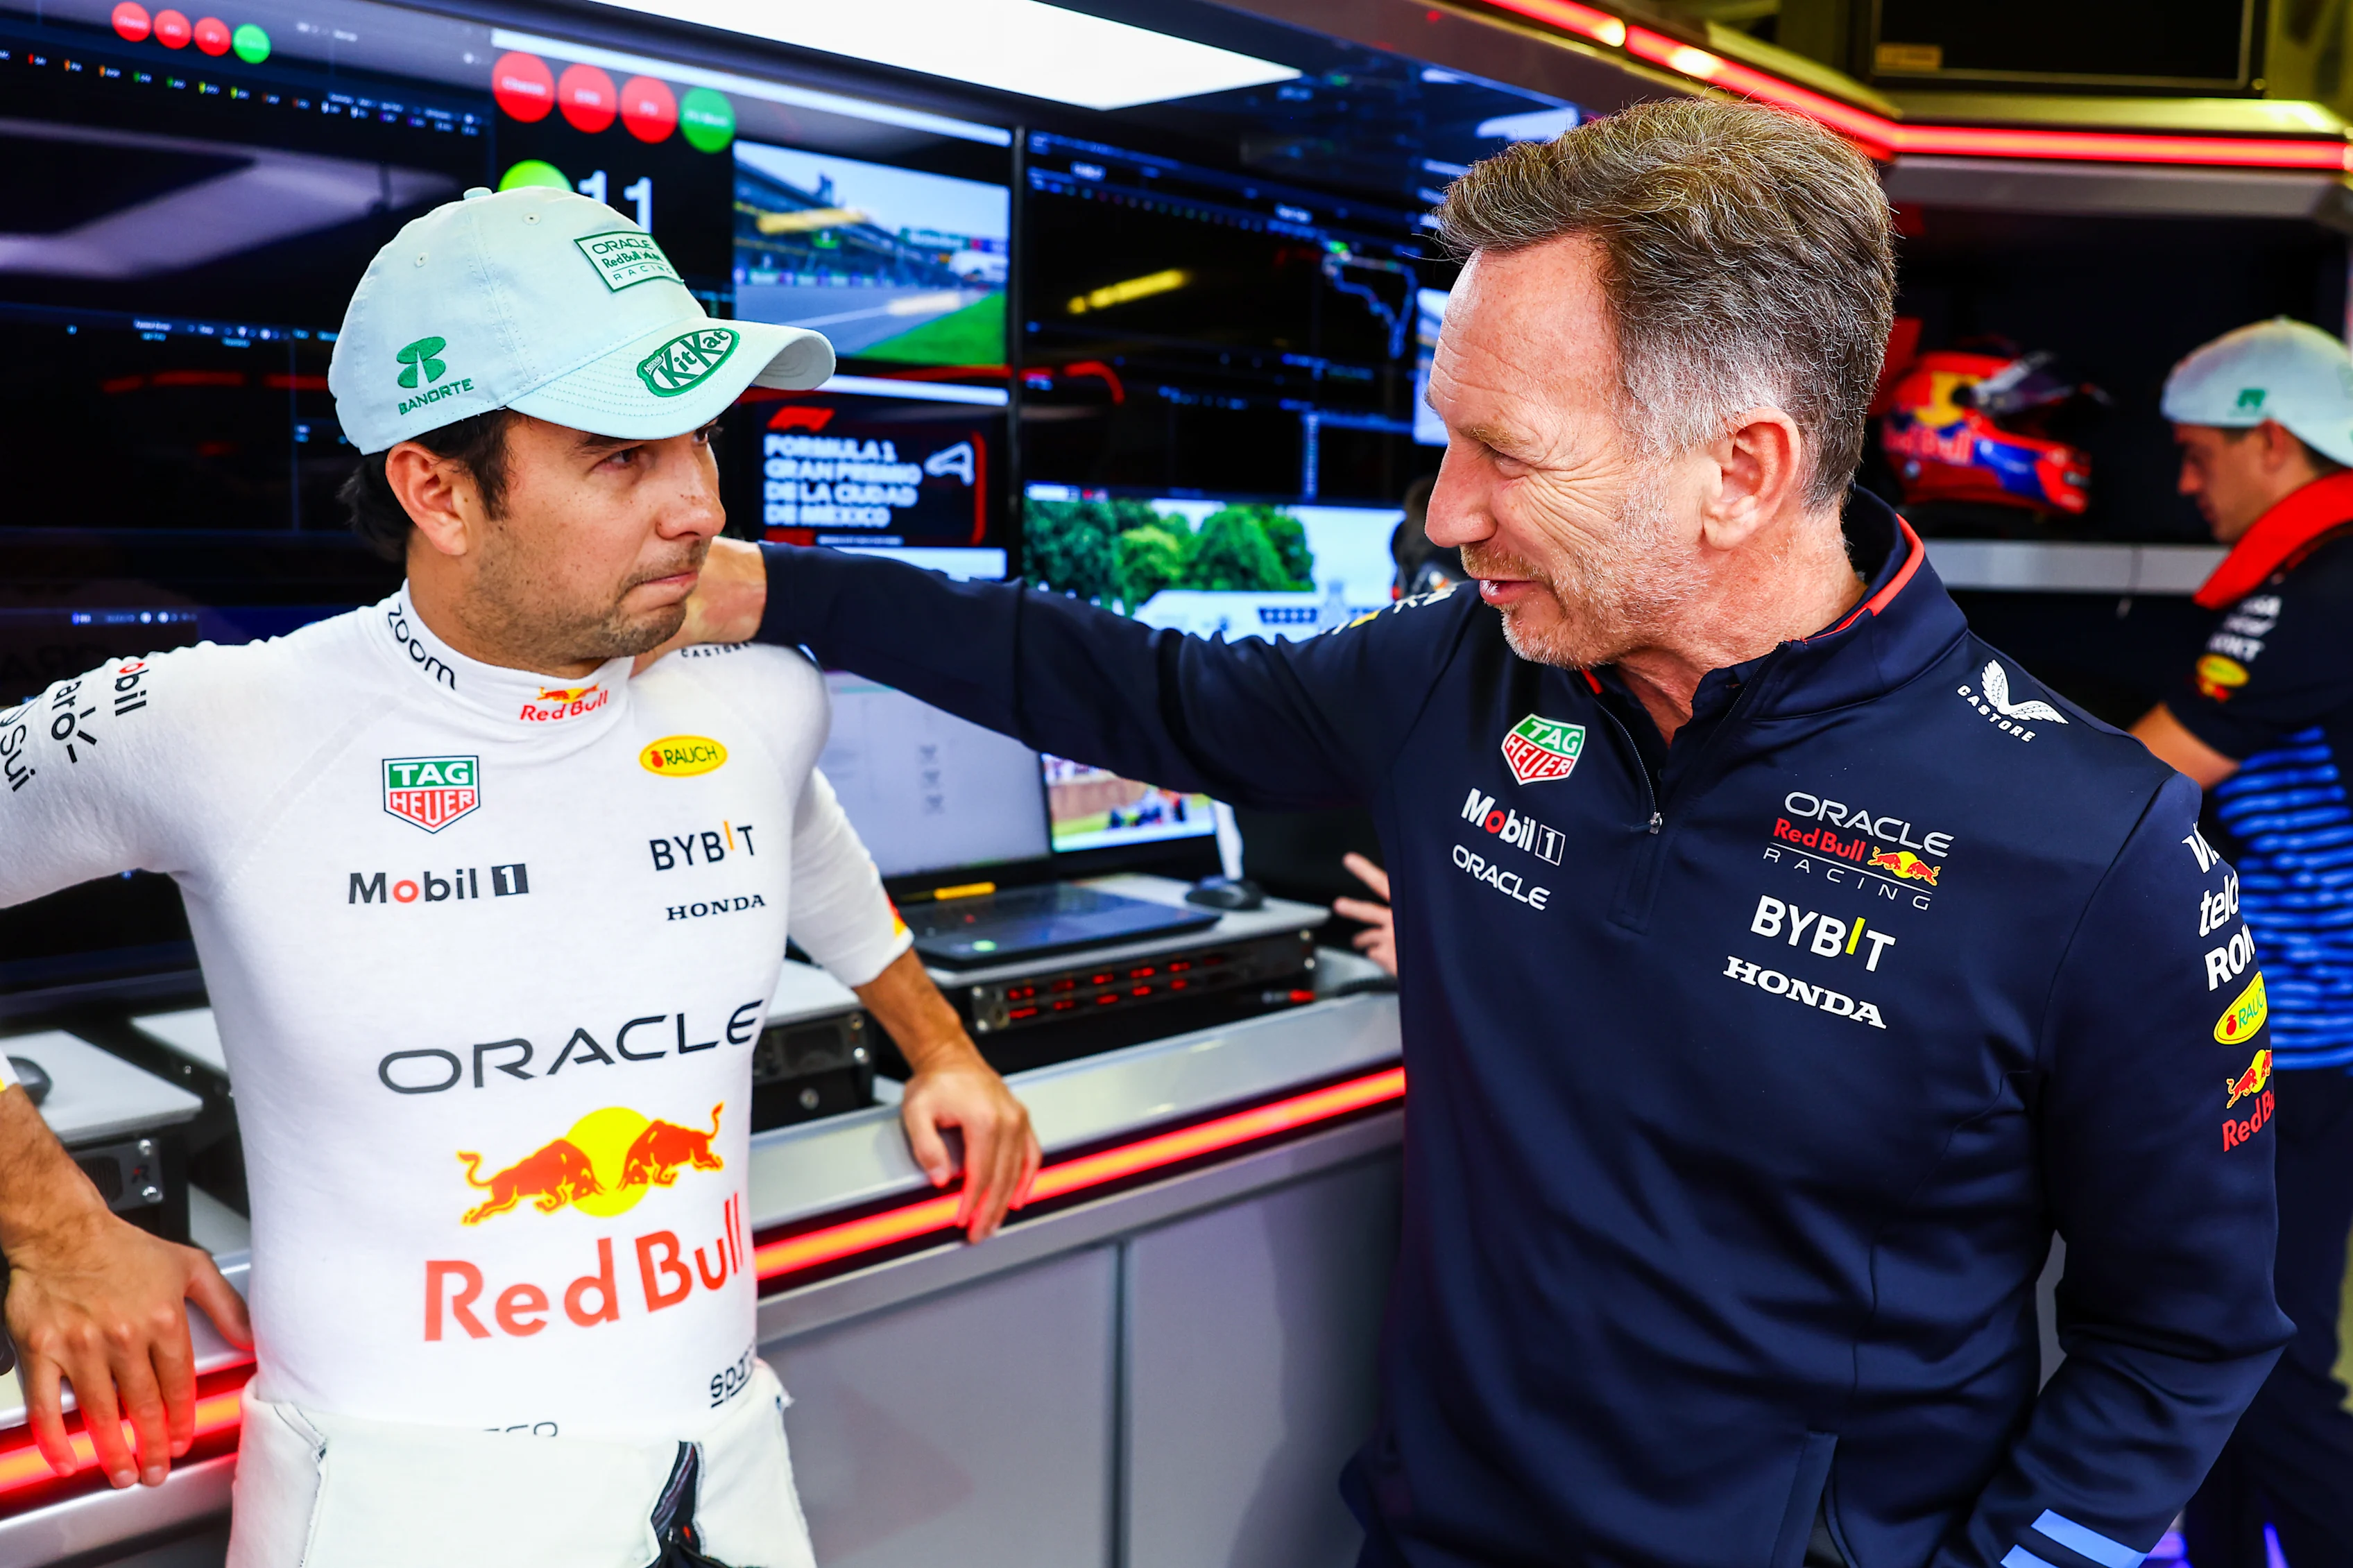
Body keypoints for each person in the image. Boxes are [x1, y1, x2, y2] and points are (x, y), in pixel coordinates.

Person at [660, 101, 2288, 1568]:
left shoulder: (2089, 843)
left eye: (1507, 451)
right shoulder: (1461, 673)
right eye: (1451, 436)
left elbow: (2183, 1338)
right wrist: (779, 589)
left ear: (1741, 469)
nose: (1446, 513)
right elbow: (1149, 690)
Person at [0, 185, 1036, 1566]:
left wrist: (941, 1043)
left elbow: (801, 841)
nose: (701, 504)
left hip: (733, 1471)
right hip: (398, 1510)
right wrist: (56, 1225)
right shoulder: (217, 723)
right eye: (621, 457)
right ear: (437, 490)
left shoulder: (755, 694)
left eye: (701, 435)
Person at [2130, 318, 2353, 1568]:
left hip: (2308, 1047)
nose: (2184, 481)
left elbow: (2140, 782)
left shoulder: (2321, 589)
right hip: (2298, 1038)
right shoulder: (2313, 579)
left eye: (2199, 452)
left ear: (2274, 440)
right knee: (2220, 1358)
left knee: (2261, 1365)